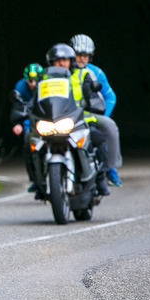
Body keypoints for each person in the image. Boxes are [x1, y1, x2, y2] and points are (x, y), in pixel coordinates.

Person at [46, 43, 112, 197]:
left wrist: (94, 103)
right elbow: (37, 98)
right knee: (31, 140)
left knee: (99, 139)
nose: (61, 63)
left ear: (70, 61)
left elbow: (92, 95)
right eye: (57, 60)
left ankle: (101, 178)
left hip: (79, 120)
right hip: (53, 122)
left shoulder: (82, 75)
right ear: (52, 63)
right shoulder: (45, 78)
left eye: (64, 60)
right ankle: (38, 180)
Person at [70, 34, 122, 186]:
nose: (82, 58)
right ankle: (40, 176)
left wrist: (104, 115)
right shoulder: (63, 71)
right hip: (65, 116)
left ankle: (111, 169)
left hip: (87, 115)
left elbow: (110, 96)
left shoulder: (96, 73)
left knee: (110, 126)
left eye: (85, 55)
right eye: (78, 54)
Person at [11, 63, 45, 193]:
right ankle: (35, 180)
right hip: (30, 120)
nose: (33, 84)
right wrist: (17, 123)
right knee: (28, 144)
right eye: (30, 81)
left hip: (48, 119)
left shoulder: (49, 84)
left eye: (37, 80)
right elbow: (18, 107)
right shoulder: (20, 87)